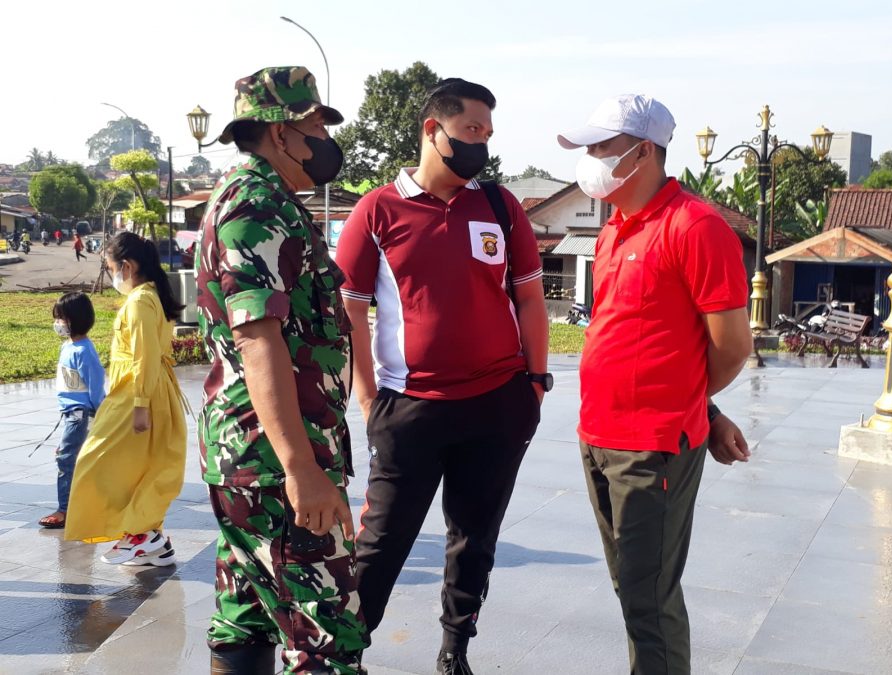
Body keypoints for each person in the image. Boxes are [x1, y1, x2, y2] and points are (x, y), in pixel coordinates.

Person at [336, 78, 549, 675]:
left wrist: (534, 385)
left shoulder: (500, 206)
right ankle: (345, 652)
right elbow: (350, 313)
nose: (482, 143)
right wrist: (367, 398)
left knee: (475, 538)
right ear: (434, 130)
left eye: (488, 133)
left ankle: (456, 649)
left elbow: (530, 300)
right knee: (381, 543)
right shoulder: (377, 210)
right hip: (410, 408)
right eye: (471, 130)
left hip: (497, 403)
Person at [557, 94, 753, 674]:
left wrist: (694, 409)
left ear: (643, 152)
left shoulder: (695, 227)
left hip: (653, 446)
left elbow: (733, 345)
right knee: (632, 587)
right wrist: (711, 412)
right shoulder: (613, 229)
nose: (591, 158)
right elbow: (645, 337)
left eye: (602, 146)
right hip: (599, 437)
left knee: (649, 599)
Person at [195, 66, 367, 674]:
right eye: (315, 125)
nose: (325, 139)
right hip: (274, 464)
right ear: (279, 132)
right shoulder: (258, 205)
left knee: (245, 618)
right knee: (327, 638)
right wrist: (301, 470)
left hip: (251, 457)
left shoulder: (259, 198)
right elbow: (257, 338)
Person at [64, 231, 187, 568]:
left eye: (110, 267)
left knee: (94, 461)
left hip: (137, 393)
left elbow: (144, 356)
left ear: (127, 266)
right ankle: (150, 541)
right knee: (144, 466)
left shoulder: (140, 302)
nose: (111, 274)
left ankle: (141, 535)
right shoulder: (150, 296)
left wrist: (141, 405)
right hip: (144, 391)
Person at [38, 292, 105, 529]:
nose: (58, 323)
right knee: (71, 458)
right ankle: (81, 506)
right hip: (70, 414)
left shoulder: (84, 351)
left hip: (79, 414)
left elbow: (96, 386)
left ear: (76, 319)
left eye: (62, 318)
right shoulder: (68, 346)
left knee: (66, 461)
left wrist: (101, 414)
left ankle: (65, 510)